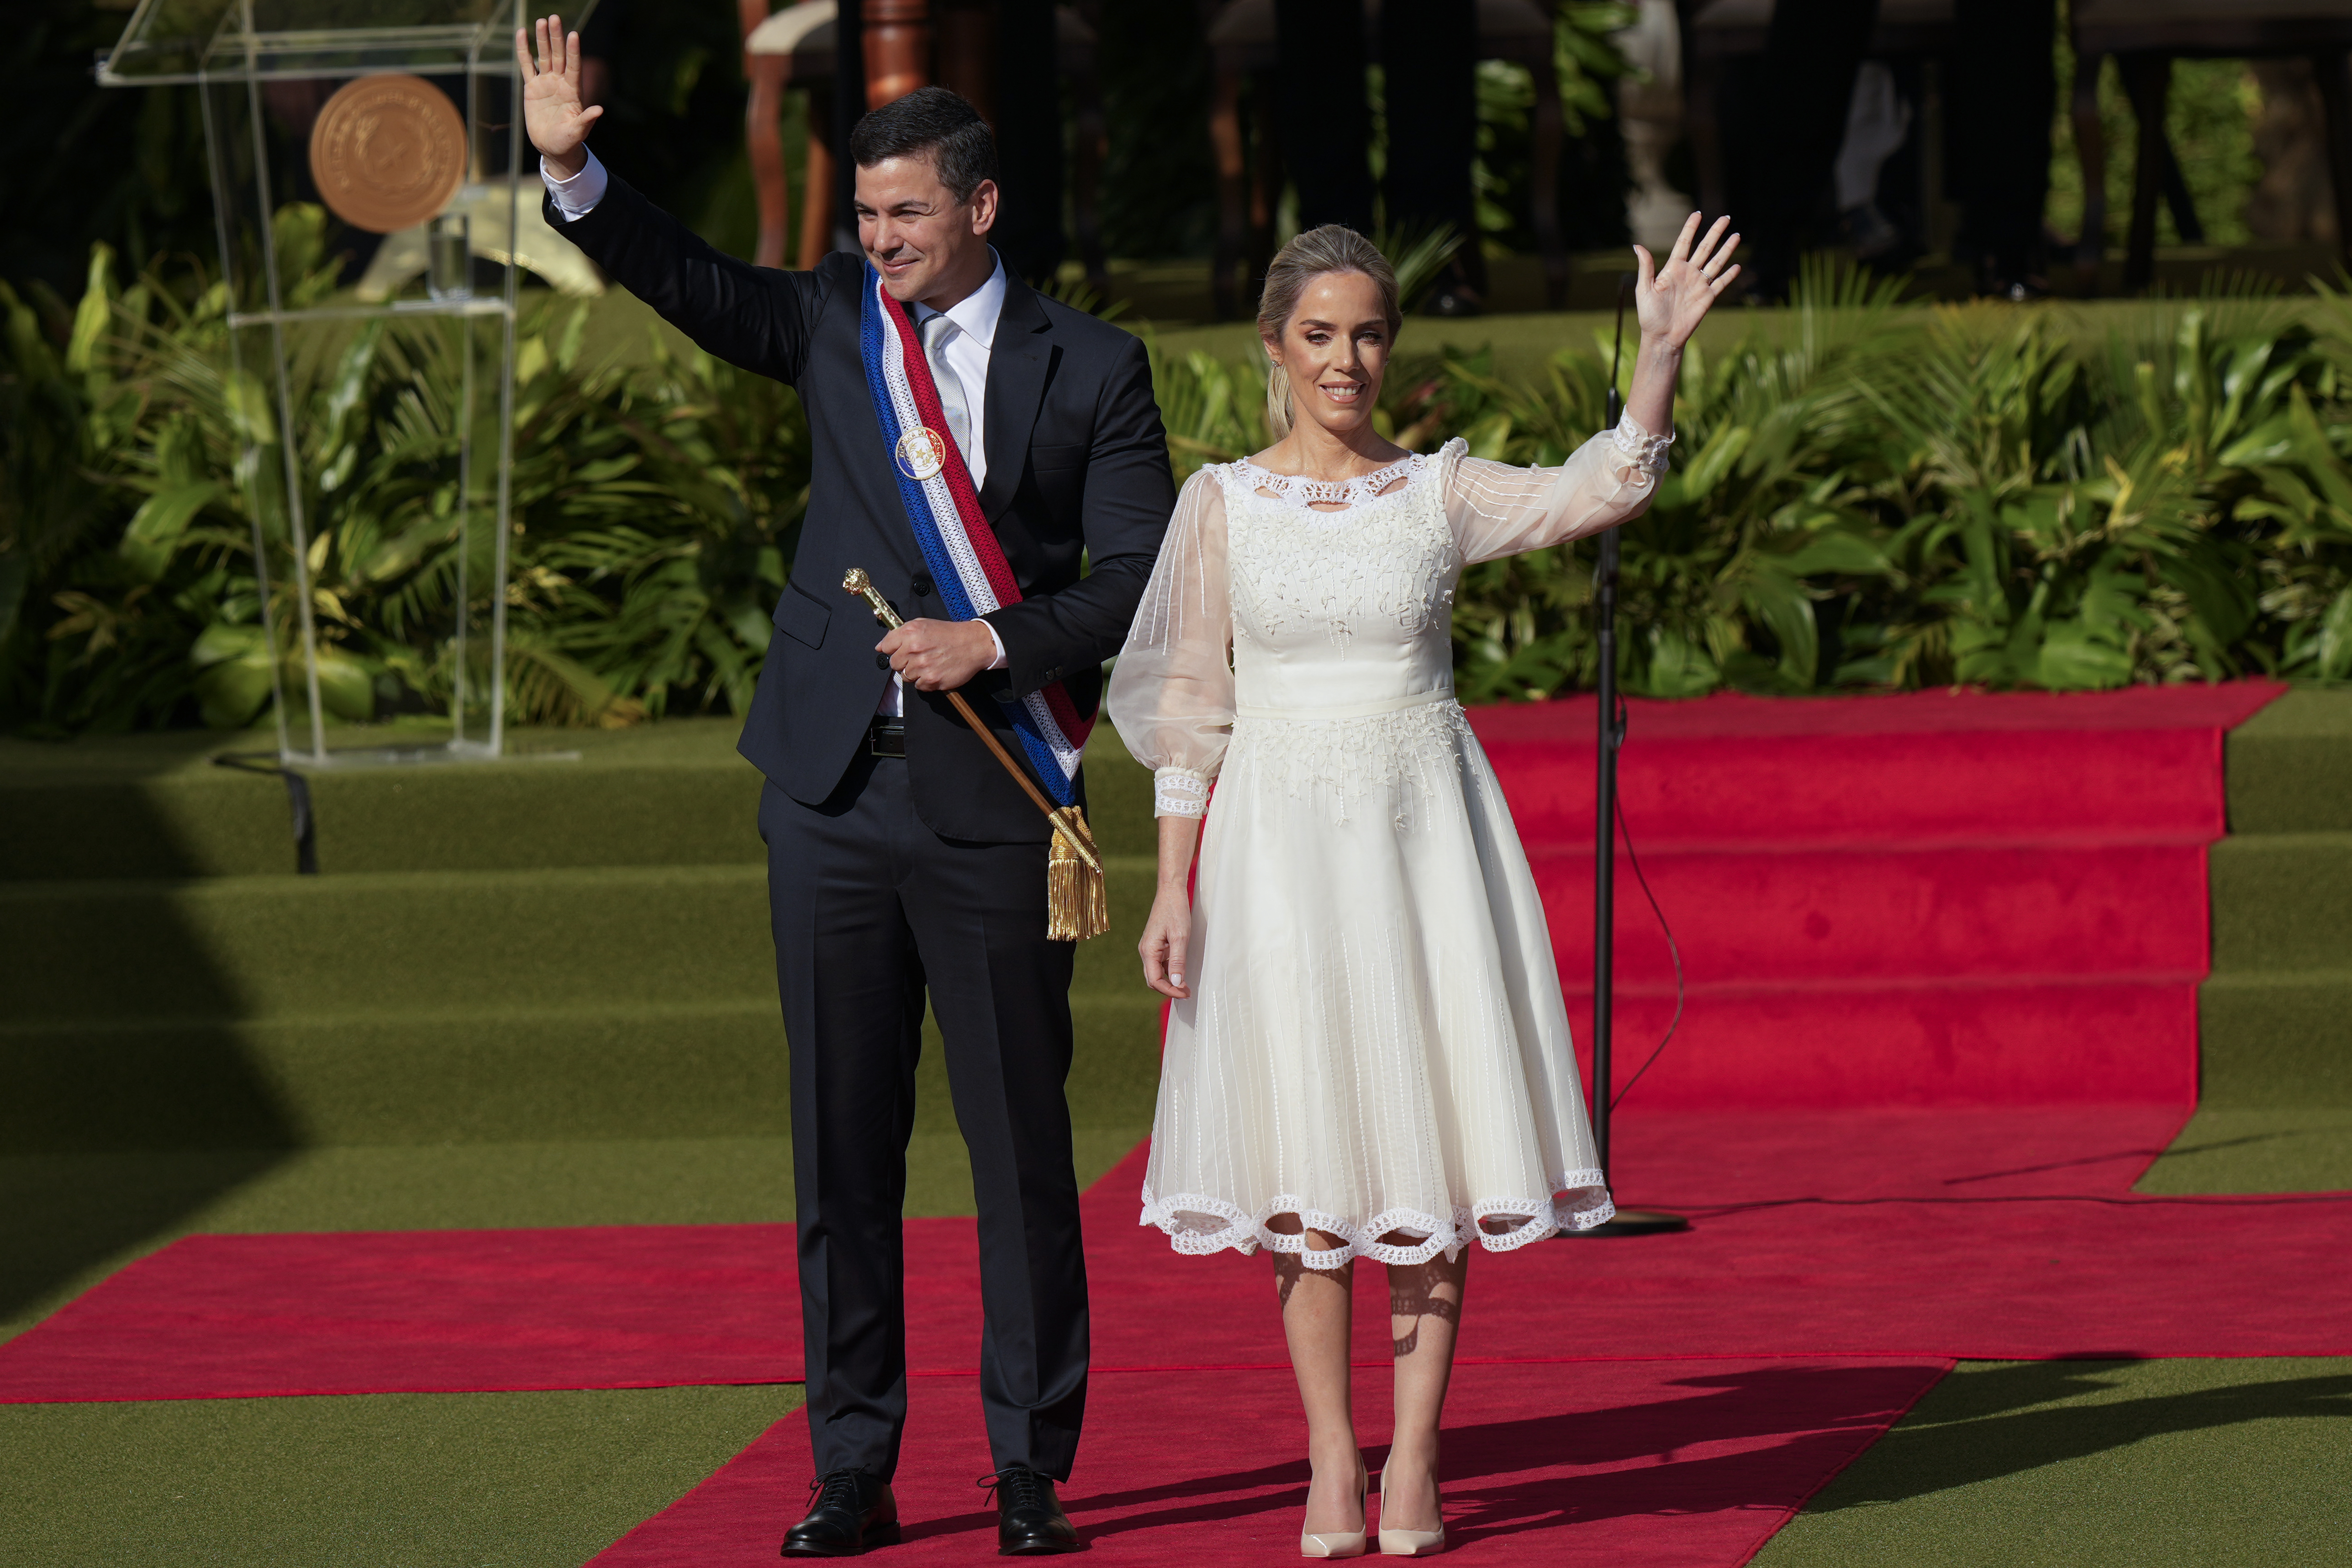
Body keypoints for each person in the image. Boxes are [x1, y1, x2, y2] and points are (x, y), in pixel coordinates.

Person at [517, 20, 1176, 1558]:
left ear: (982, 208)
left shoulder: (1096, 365)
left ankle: (1028, 1464)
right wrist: (572, 169)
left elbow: (1140, 581)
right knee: (840, 1147)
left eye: (907, 216)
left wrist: (995, 637)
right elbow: (690, 282)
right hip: (824, 793)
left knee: (1017, 1146)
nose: (877, 240)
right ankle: (852, 1464)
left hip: (997, 792)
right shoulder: (829, 320)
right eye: (865, 217)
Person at [1105, 213, 1737, 1556]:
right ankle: (1334, 1459)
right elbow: (1186, 706)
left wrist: (1659, 354)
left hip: (1423, 843)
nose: (1349, 360)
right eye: (1322, 335)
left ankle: (1418, 1454)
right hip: (1271, 852)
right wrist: (1172, 887)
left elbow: (1604, 485)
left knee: (1427, 1149)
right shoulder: (1221, 499)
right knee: (1303, 1163)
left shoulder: (1437, 489)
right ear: (1275, 346)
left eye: (1370, 334)